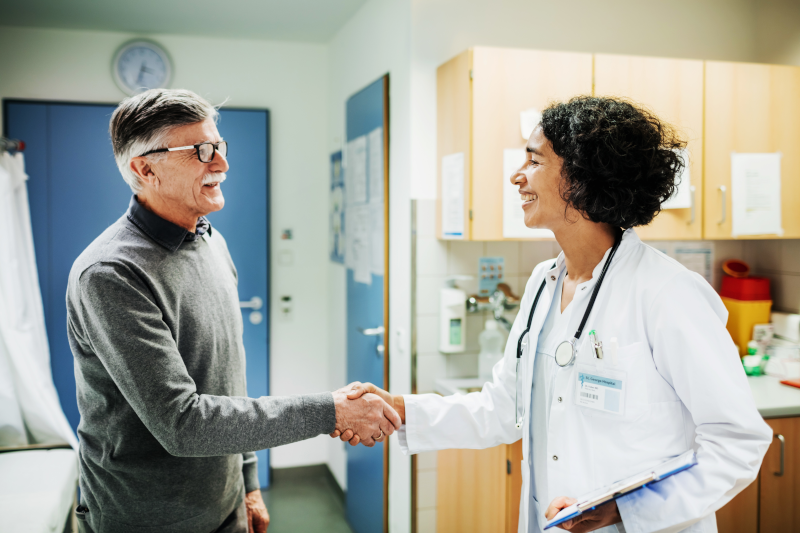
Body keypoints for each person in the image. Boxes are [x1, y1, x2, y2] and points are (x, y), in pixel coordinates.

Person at [334, 97, 772, 532]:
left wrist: (625, 509)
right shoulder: (544, 283)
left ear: (583, 178)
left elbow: (737, 442)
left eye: (534, 161)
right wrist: (401, 409)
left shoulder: (667, 293)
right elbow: (505, 407)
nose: (516, 176)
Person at [67, 88, 400, 533]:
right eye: (200, 152)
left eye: (219, 146)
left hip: (225, 507)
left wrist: (248, 481)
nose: (221, 164)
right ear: (144, 169)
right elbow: (181, 422)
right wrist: (331, 411)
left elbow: (229, 376)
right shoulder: (111, 274)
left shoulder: (210, 242)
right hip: (146, 519)